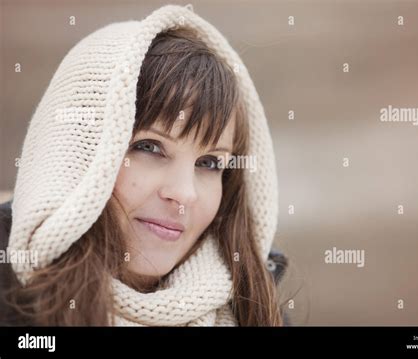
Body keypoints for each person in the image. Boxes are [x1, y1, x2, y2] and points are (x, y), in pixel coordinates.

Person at [0, 5, 287, 326]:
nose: (184, 194)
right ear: (76, 152)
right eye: (149, 147)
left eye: (209, 163)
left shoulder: (253, 311)